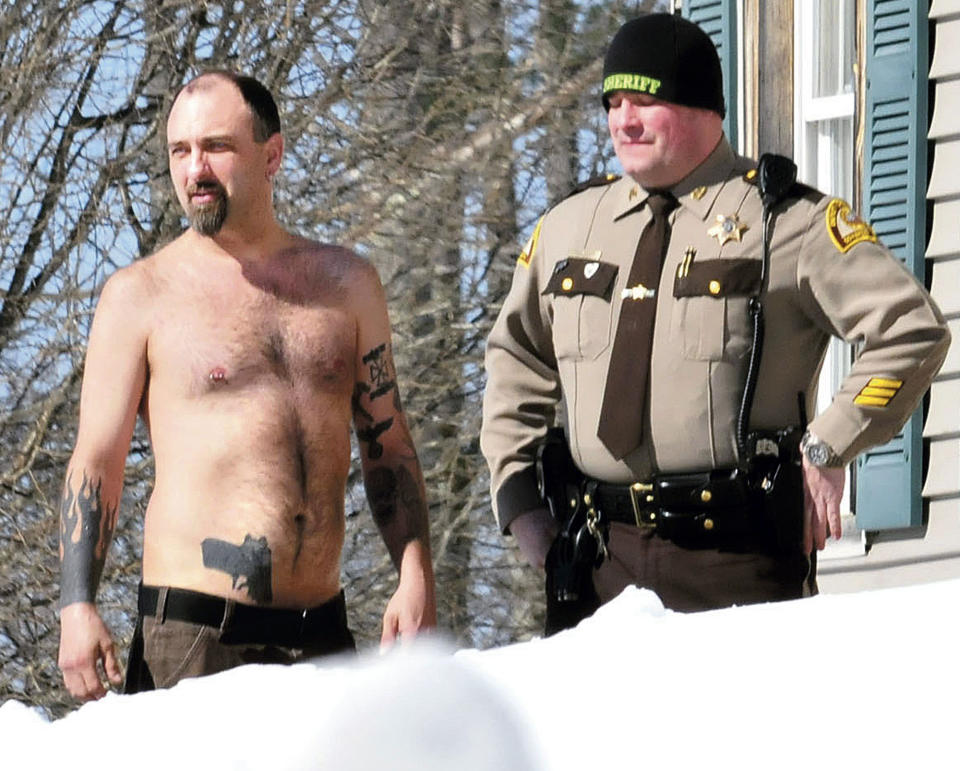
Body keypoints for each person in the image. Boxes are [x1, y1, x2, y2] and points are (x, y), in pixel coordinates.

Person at [480, 14, 950, 630]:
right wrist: (520, 507)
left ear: (703, 106)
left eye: (645, 101)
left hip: (735, 561)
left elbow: (911, 329)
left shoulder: (787, 220)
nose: (623, 121)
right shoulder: (569, 228)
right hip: (596, 561)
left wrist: (831, 440)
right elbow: (515, 361)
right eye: (613, 103)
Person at [57, 70, 437, 701]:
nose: (195, 169)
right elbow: (97, 462)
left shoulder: (346, 286)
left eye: (215, 147)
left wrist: (415, 569)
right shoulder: (140, 297)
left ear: (272, 154)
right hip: (196, 637)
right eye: (180, 151)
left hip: (322, 635)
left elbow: (388, 447)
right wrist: (77, 605)